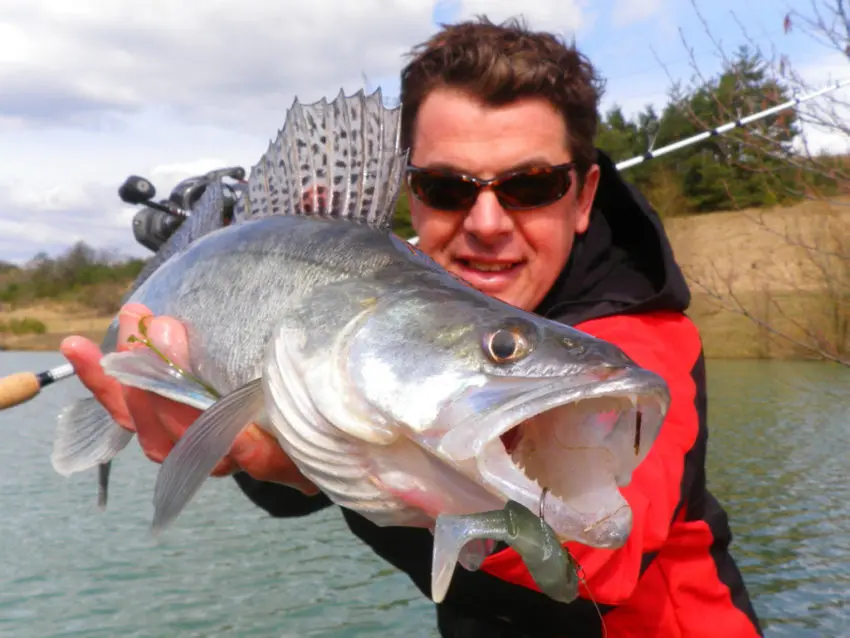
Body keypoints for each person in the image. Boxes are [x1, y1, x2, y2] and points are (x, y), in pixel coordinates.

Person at [61, 17, 764, 638]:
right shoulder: (384, 303)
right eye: (448, 189)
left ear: (583, 197)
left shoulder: (638, 341)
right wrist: (274, 460)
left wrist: (375, 487)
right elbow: (295, 469)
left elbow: (598, 558)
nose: (487, 224)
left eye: (531, 185)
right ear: (410, 194)